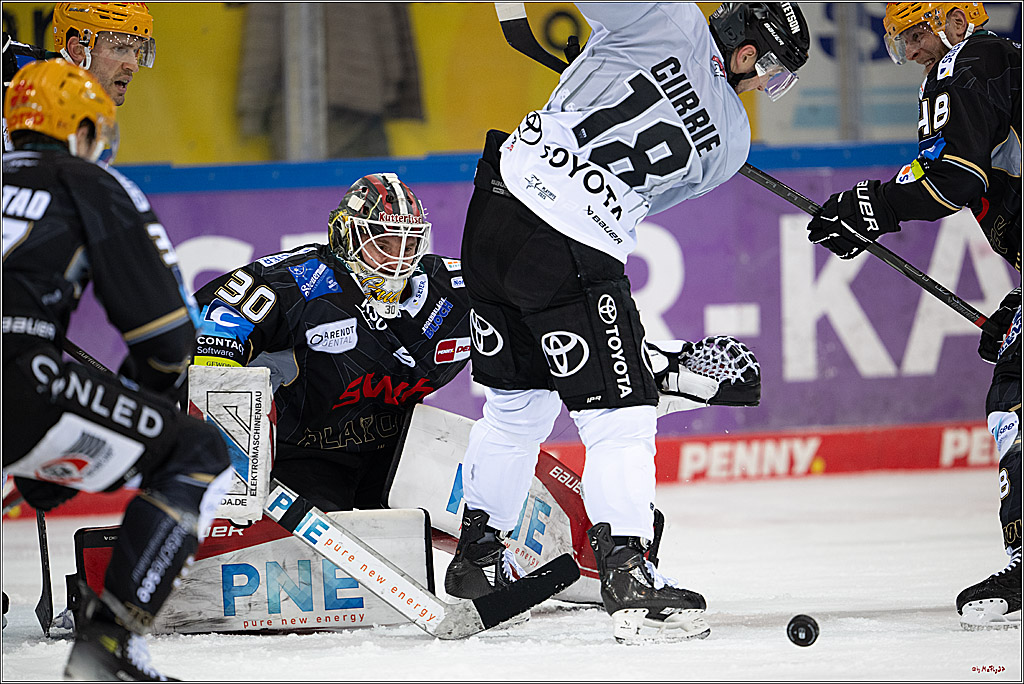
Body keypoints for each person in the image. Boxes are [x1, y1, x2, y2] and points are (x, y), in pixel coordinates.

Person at [446, 2, 809, 641]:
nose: (759, 85)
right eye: (767, 72)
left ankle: (477, 561)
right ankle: (629, 575)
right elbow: (638, 200)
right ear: (749, 53)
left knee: (514, 408)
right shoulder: (733, 139)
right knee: (622, 416)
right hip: (572, 244)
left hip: (496, 207)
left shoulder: (668, 16)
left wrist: (588, 72)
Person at [3, 58, 231, 680]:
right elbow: (164, 336)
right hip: (15, 380)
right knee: (198, 451)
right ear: (79, 129)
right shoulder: (89, 181)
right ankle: (111, 643)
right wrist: (135, 416)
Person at [806, 2, 1020, 630]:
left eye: (920, 32)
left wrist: (868, 207)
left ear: (958, 17)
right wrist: (865, 209)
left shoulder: (977, 59)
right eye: (904, 40)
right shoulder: (962, 71)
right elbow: (935, 179)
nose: (916, 49)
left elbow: (955, 182)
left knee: (1014, 396)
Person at [192, 172, 472, 512]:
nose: (397, 260)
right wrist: (225, 438)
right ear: (344, 236)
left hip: (398, 452)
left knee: (440, 521)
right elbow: (212, 333)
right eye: (383, 244)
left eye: (408, 245)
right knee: (322, 546)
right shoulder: (298, 281)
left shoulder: (454, 289)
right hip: (306, 455)